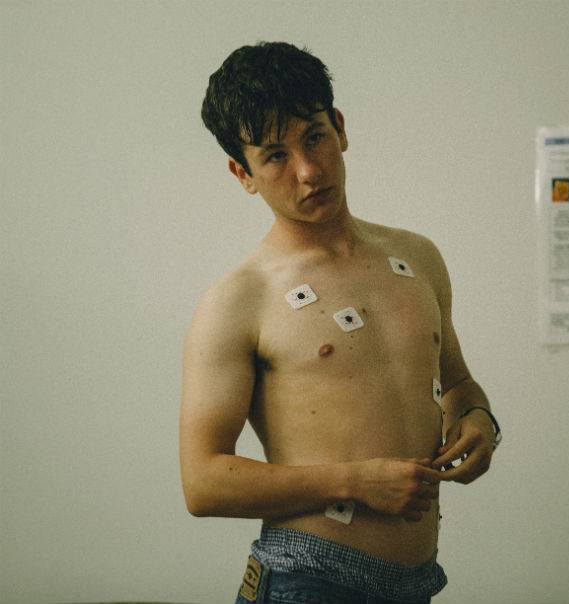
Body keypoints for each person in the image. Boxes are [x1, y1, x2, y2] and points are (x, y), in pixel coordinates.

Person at [180, 42, 501, 604]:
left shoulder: (417, 257)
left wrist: (478, 419)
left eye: (314, 137)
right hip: (305, 580)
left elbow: (457, 384)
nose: (308, 170)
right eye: (275, 156)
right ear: (243, 173)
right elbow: (202, 482)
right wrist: (354, 482)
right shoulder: (239, 299)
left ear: (341, 128)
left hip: (417, 584)